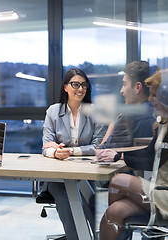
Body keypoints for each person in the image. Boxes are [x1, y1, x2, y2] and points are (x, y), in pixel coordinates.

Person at [96, 68, 168, 240]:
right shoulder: (167, 122)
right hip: (165, 191)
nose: (150, 99)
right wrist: (118, 155)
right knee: (115, 211)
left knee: (118, 180)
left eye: (154, 95)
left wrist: (118, 157)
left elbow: (152, 161)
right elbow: (149, 152)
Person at [42, 67, 105, 240]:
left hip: (86, 175)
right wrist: (55, 152)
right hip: (57, 176)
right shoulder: (53, 111)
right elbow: (46, 146)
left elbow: (97, 146)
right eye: (75, 84)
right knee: (68, 201)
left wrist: (70, 151)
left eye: (84, 85)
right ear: (65, 87)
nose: (80, 89)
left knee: (90, 201)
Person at [99, 60, 156, 149]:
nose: (121, 90)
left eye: (125, 84)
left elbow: (101, 152)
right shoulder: (160, 114)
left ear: (137, 87)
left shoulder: (128, 119)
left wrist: (113, 124)